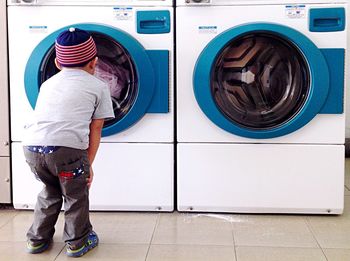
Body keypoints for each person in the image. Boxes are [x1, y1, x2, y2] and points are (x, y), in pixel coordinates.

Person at [22, 27, 114, 257]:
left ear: (57, 63)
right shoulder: (99, 87)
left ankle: (36, 240)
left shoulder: (47, 84)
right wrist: (88, 163)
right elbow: (96, 127)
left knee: (49, 191)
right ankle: (77, 242)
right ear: (94, 63)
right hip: (67, 152)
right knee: (75, 195)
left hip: (32, 148)